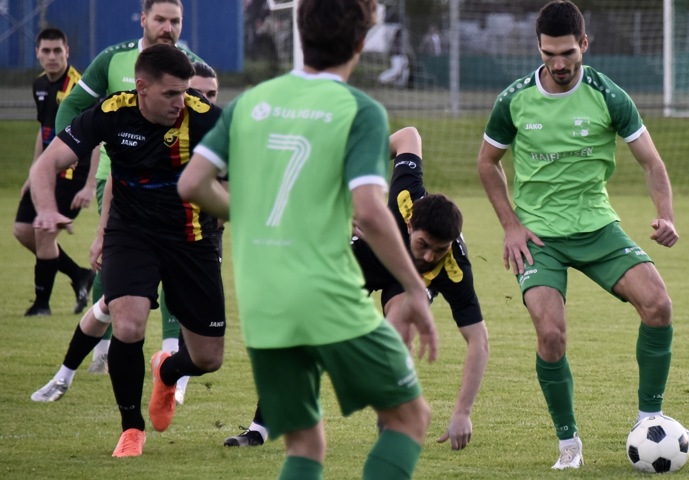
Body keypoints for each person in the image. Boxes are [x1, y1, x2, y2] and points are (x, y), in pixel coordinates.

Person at [177, 0, 439, 478]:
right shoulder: (359, 110)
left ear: (298, 28)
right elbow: (369, 212)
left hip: (262, 297)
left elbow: (192, 184)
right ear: (361, 43)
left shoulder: (249, 103)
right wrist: (415, 289)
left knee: (303, 444)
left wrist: (248, 209)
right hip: (325, 294)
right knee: (409, 417)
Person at [476, 0, 689, 470]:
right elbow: (487, 163)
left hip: (598, 227)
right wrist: (511, 226)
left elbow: (652, 163)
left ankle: (650, 422)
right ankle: (569, 445)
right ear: (539, 48)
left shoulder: (608, 95)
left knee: (659, 305)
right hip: (539, 236)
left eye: (568, 53)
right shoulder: (514, 99)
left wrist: (666, 215)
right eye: (549, 54)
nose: (559, 64)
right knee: (550, 335)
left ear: (584, 44)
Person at [222, 127, 489, 451]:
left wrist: (462, 411)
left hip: (403, 284)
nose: (430, 256)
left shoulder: (454, 269)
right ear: (408, 224)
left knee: (400, 324)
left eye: (440, 248)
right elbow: (410, 136)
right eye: (423, 245)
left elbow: (478, 340)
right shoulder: (405, 197)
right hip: (361, 260)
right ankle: (259, 429)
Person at [29, 44, 224, 458]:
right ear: (141, 88)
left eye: (186, 91)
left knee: (208, 358)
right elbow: (46, 164)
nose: (182, 102)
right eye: (171, 93)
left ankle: (167, 369)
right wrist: (47, 209)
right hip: (132, 234)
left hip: (192, 238)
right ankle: (131, 428)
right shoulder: (111, 112)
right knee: (129, 324)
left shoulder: (206, 119)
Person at [55, 0, 203, 385]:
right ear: (143, 19)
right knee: (113, 263)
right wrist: (73, 158)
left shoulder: (191, 65)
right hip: (118, 179)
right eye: (160, 19)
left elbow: (210, 118)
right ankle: (103, 348)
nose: (168, 27)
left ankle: (170, 349)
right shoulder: (114, 59)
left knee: (174, 264)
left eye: (176, 20)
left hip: (178, 183)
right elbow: (72, 106)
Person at [13, 27, 96, 317]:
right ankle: (79, 274)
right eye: (45, 51)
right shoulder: (38, 85)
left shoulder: (79, 87)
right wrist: (33, 173)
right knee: (23, 231)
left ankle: (41, 305)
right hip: (46, 171)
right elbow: (44, 131)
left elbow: (98, 137)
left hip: (73, 173)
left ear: (67, 52)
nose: (51, 57)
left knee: (43, 231)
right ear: (37, 53)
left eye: (57, 51)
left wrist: (88, 185)